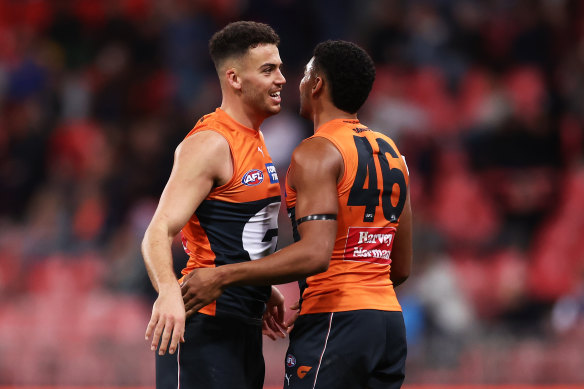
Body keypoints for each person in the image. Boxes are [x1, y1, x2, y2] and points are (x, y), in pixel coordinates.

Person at [181, 40, 413, 389]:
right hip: (389, 324)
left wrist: (221, 276)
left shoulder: (317, 152)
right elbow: (401, 267)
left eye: (304, 74)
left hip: (336, 320)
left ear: (317, 84)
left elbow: (315, 254)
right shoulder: (393, 153)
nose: (294, 82)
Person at [141, 21, 288, 389]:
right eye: (268, 70)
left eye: (281, 68)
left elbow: (234, 228)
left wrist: (261, 286)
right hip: (203, 330)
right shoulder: (210, 143)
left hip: (242, 331)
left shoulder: (254, 139)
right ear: (235, 78)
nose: (282, 79)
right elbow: (158, 231)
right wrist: (168, 293)